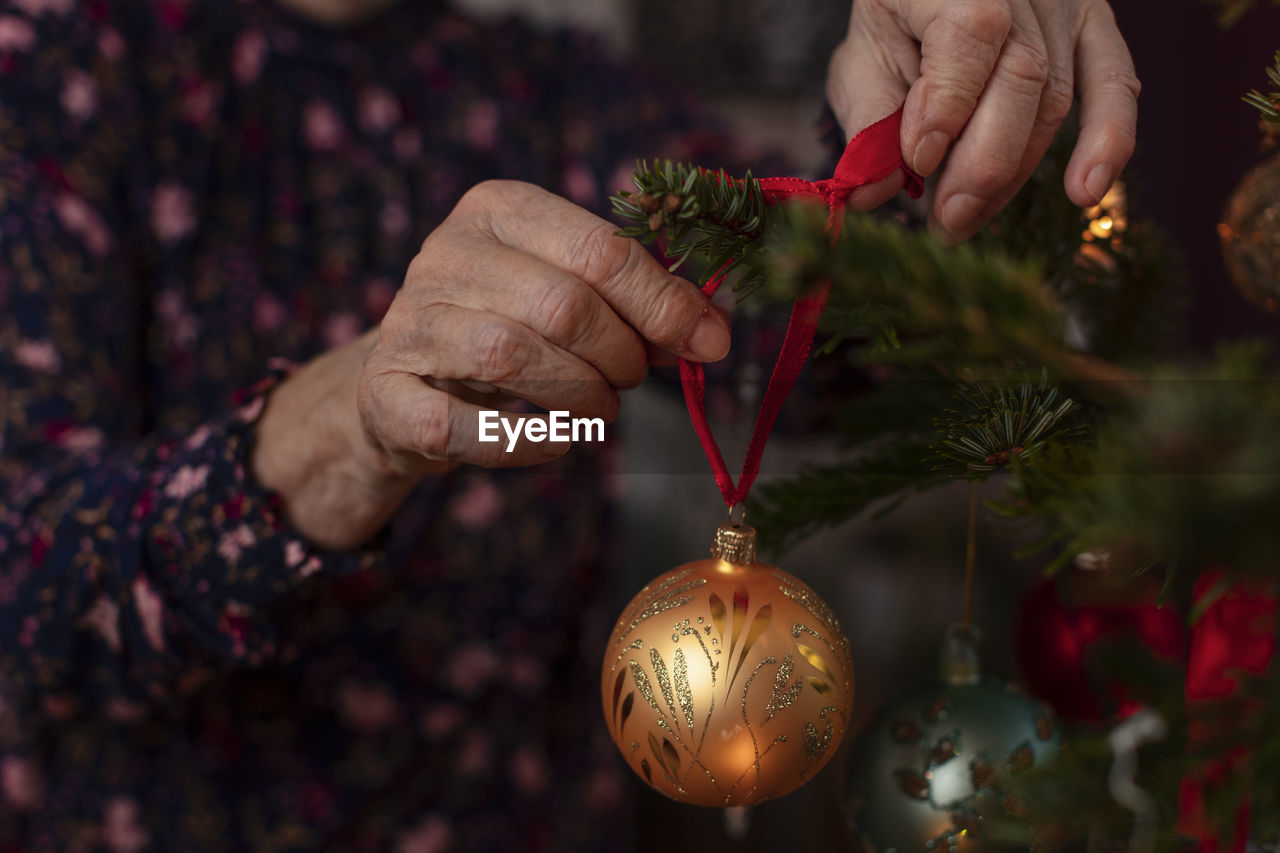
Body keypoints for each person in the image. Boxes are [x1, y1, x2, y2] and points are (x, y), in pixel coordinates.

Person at [0, 0, 1136, 849]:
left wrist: (934, 124)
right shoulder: (58, 72)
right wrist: (346, 428)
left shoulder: (553, 91)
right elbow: (28, 590)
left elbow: (829, 352)